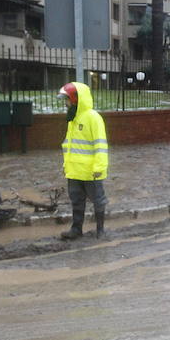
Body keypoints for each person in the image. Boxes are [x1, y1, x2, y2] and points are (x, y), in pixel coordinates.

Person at [58, 82, 109, 240]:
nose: (65, 103)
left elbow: (100, 145)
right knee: (76, 201)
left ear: (75, 99)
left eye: (67, 99)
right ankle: (76, 229)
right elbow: (69, 146)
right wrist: (66, 166)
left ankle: (100, 230)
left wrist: (99, 167)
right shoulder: (72, 119)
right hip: (74, 171)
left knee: (98, 200)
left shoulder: (93, 118)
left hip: (91, 171)